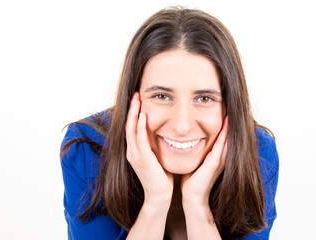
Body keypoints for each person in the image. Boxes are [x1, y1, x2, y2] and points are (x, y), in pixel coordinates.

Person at [60, 6, 279, 240]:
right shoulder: (87, 151)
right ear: (133, 97)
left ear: (229, 105)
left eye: (204, 98)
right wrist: (155, 201)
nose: (181, 126)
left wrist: (197, 206)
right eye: (162, 96)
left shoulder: (257, 154)